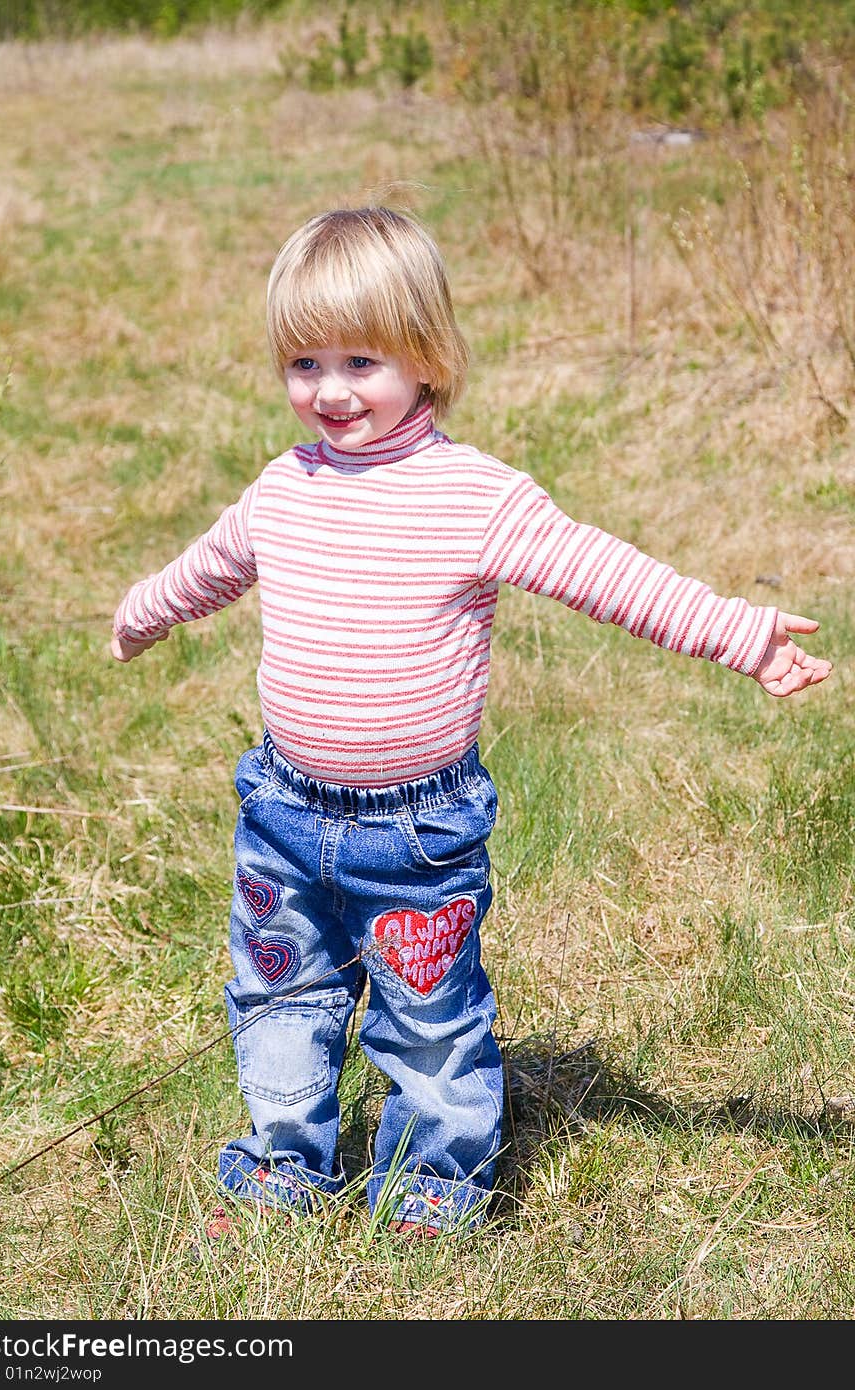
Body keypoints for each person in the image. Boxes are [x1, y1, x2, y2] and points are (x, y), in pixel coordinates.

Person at [111, 206, 832, 1239]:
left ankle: (433, 1177)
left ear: (429, 357)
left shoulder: (472, 496)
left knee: (427, 1018)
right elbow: (209, 566)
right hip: (281, 810)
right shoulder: (283, 488)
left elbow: (607, 573)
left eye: (362, 358)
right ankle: (284, 1163)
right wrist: (142, 612)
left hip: (416, 833)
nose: (330, 389)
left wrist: (741, 634)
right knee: (279, 997)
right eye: (303, 361)